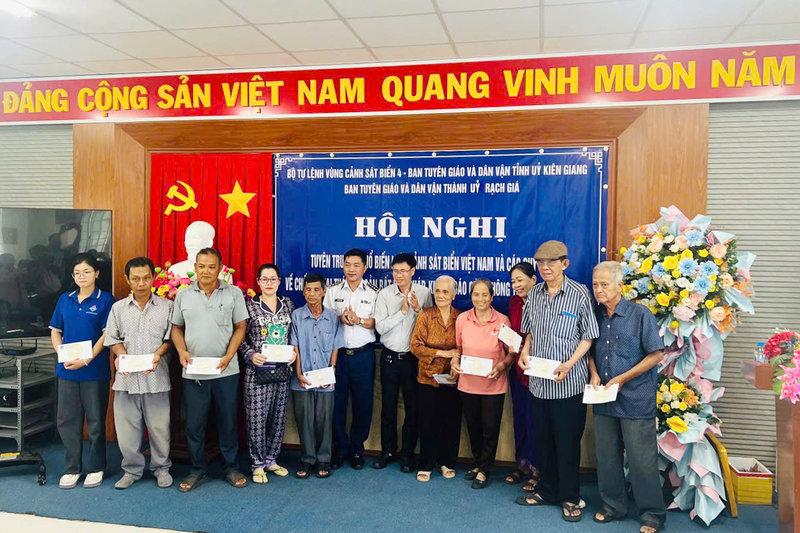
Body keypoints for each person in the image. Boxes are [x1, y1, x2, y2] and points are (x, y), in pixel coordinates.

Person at [516, 240, 599, 522]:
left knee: (567, 443)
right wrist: (524, 352)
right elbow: (528, 332)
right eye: (540, 263)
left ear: (565, 264)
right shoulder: (535, 294)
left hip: (568, 384)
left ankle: (571, 497)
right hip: (539, 384)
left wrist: (570, 364)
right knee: (543, 441)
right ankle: (547, 491)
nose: (545, 268)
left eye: (551, 262)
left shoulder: (580, 293)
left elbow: (588, 337)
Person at [589, 261, 666, 533]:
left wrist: (623, 378)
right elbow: (589, 350)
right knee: (607, 457)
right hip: (603, 398)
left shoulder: (640, 314)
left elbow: (657, 354)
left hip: (636, 397)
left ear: (620, 285)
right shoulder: (595, 315)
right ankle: (613, 506)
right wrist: (594, 373)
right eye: (595, 284)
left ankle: (652, 514)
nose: (599, 289)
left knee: (641, 459)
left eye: (604, 284)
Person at [171, 247, 249, 492]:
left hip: (226, 370)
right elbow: (176, 328)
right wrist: (182, 351)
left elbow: (241, 327)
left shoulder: (233, 293)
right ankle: (197, 469)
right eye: (202, 266)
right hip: (194, 371)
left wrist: (229, 355)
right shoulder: (183, 295)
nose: (206, 271)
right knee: (194, 424)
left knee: (228, 421)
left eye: (211, 266)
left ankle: (231, 467)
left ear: (220, 269)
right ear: (195, 267)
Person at [104, 257, 174, 489]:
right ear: (127, 280)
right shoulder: (118, 308)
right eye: (135, 279)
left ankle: (161, 468)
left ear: (153, 278)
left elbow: (170, 339)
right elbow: (112, 338)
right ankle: (131, 471)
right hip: (126, 380)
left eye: (146, 278)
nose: (141, 283)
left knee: (159, 429)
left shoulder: (167, 306)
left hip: (157, 377)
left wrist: (158, 354)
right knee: (127, 430)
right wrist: (122, 356)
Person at [50, 253, 115, 489]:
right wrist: (61, 353)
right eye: (77, 273)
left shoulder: (106, 300)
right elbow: (55, 330)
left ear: (96, 273)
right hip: (67, 370)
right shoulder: (64, 299)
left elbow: (107, 335)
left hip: (94, 370)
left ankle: (96, 467)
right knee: (67, 420)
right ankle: (72, 468)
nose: (82, 276)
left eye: (87, 272)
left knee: (96, 421)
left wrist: (87, 359)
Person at [451, 278, 513, 489]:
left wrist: (502, 366)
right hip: (467, 384)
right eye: (476, 294)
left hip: (493, 384)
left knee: (490, 429)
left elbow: (511, 353)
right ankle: (478, 463)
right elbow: (458, 348)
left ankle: (485, 469)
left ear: (492, 297)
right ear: (471, 297)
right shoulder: (462, 319)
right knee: (473, 426)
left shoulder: (503, 320)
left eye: (485, 294)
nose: (480, 299)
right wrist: (454, 361)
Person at [373, 253, 432, 472]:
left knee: (412, 408)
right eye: (395, 271)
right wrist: (402, 312)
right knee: (387, 408)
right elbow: (380, 328)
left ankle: (407, 454)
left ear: (412, 271)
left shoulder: (424, 293)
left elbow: (429, 326)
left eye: (403, 271)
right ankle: (387, 451)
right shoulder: (385, 295)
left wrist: (417, 310)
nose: (398, 275)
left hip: (412, 360)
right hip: (389, 358)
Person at [238, 263, 295, 484]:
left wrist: (294, 353)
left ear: (279, 281)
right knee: (257, 419)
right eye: (264, 279)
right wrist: (250, 354)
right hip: (257, 372)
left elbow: (293, 335)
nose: (269, 283)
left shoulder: (287, 304)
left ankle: (271, 459)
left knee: (278, 417)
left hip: (282, 370)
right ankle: (257, 463)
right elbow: (239, 338)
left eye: (273, 279)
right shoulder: (249, 306)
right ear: (258, 282)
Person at [323, 248, 377, 470]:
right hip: (338, 356)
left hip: (363, 355)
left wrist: (359, 320)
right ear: (343, 266)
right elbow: (324, 320)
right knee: (336, 403)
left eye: (356, 265)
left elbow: (377, 323)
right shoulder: (332, 291)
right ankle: (339, 448)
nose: (351, 269)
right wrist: (340, 318)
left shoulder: (373, 293)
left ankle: (357, 449)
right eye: (347, 264)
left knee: (363, 403)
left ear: (365, 268)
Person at [290, 273, 344, 479]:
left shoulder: (332, 317)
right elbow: (295, 346)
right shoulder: (296, 316)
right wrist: (298, 373)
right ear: (303, 292)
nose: (312, 294)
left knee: (324, 420)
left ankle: (324, 459)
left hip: (325, 378)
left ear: (323, 292)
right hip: (302, 378)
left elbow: (335, 347)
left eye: (316, 290)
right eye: (308, 290)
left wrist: (331, 370)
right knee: (304, 420)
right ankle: (307, 459)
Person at [409, 275, 462, 483]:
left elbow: (465, 345)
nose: (440, 295)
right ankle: (426, 463)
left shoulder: (461, 318)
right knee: (428, 421)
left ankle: (447, 462)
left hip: (453, 377)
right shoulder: (425, 315)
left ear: (454, 295)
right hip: (428, 378)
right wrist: (443, 353)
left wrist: (456, 358)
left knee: (451, 421)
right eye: (437, 291)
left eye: (445, 291)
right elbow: (415, 346)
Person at [506, 262, 538, 489]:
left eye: (520, 280)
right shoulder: (514, 302)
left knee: (535, 421)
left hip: (538, 371)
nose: (516, 285)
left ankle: (538, 469)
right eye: (513, 281)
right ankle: (522, 464)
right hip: (518, 369)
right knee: (520, 420)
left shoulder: (544, 302)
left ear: (533, 280)